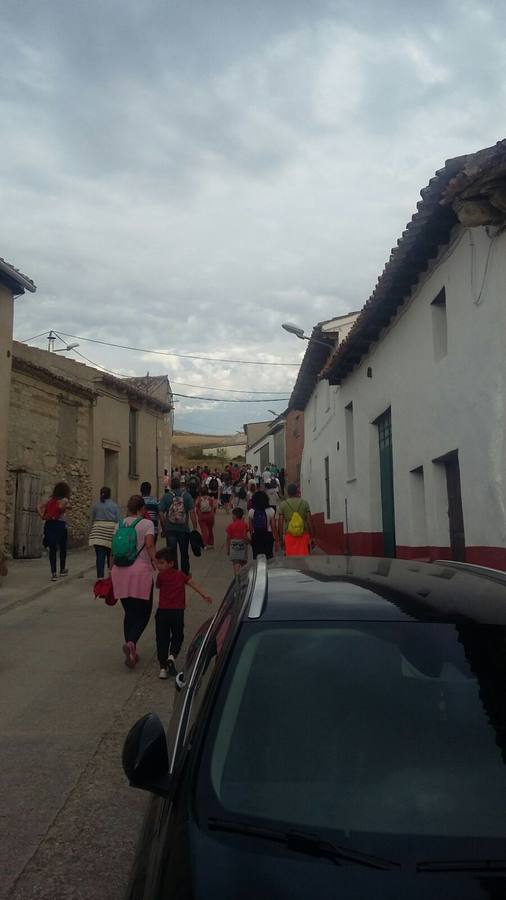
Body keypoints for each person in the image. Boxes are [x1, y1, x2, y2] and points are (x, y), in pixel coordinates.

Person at [111, 494, 156, 669]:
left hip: (120, 572)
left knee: (129, 612)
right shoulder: (147, 524)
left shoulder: (119, 525)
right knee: (144, 612)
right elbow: (150, 545)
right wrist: (156, 562)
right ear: (142, 509)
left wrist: (110, 570)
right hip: (140, 573)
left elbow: (113, 549)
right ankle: (131, 643)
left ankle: (131, 649)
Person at [154, 546, 212, 679]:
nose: (159, 566)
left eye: (162, 563)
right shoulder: (181, 575)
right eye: (158, 563)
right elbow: (193, 583)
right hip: (177, 612)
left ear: (171, 563)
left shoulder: (161, 576)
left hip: (163, 612)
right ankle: (172, 655)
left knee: (162, 638)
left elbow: (158, 586)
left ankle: (163, 667)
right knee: (178, 635)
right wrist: (204, 595)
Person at [159, 476, 198, 574]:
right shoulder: (187, 496)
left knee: (171, 553)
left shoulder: (166, 496)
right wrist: (195, 528)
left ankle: (173, 573)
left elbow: (160, 513)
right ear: (180, 485)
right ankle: (185, 573)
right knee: (184, 552)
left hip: (170, 528)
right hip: (184, 529)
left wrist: (164, 527)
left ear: (171, 485)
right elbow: (192, 513)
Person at [37, 482, 72, 582]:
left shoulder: (50, 500)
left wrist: (42, 516)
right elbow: (61, 508)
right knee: (62, 548)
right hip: (60, 525)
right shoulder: (64, 500)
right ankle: (62, 569)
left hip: (49, 524)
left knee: (52, 549)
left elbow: (38, 506)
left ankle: (53, 573)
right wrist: (66, 507)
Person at [89, 486, 120, 578]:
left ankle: (100, 578)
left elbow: (92, 519)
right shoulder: (114, 505)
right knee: (110, 555)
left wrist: (91, 530)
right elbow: (118, 520)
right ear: (110, 494)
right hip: (110, 532)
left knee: (100, 556)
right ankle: (110, 576)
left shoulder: (96, 505)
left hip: (97, 532)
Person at [278, 483, 314, 557]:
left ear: (288, 493)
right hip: (303, 535)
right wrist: (312, 537)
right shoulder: (304, 503)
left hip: (289, 536)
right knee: (304, 560)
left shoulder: (283, 505)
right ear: (297, 492)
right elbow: (310, 521)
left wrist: (281, 539)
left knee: (290, 560)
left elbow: (280, 524)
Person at [248, 489, 279, 559]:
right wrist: (277, 540)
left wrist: (251, 536)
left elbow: (250, 528)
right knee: (269, 557)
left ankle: (258, 569)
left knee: (256, 557)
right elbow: (273, 526)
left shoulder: (251, 511)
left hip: (256, 535)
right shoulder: (271, 511)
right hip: (268, 535)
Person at [226, 507, 250, 575]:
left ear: (234, 516)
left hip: (233, 544)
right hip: (242, 544)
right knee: (243, 563)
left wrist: (228, 549)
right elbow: (245, 535)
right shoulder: (244, 524)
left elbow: (228, 538)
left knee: (236, 563)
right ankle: (244, 578)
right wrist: (248, 542)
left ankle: (237, 578)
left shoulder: (231, 525)